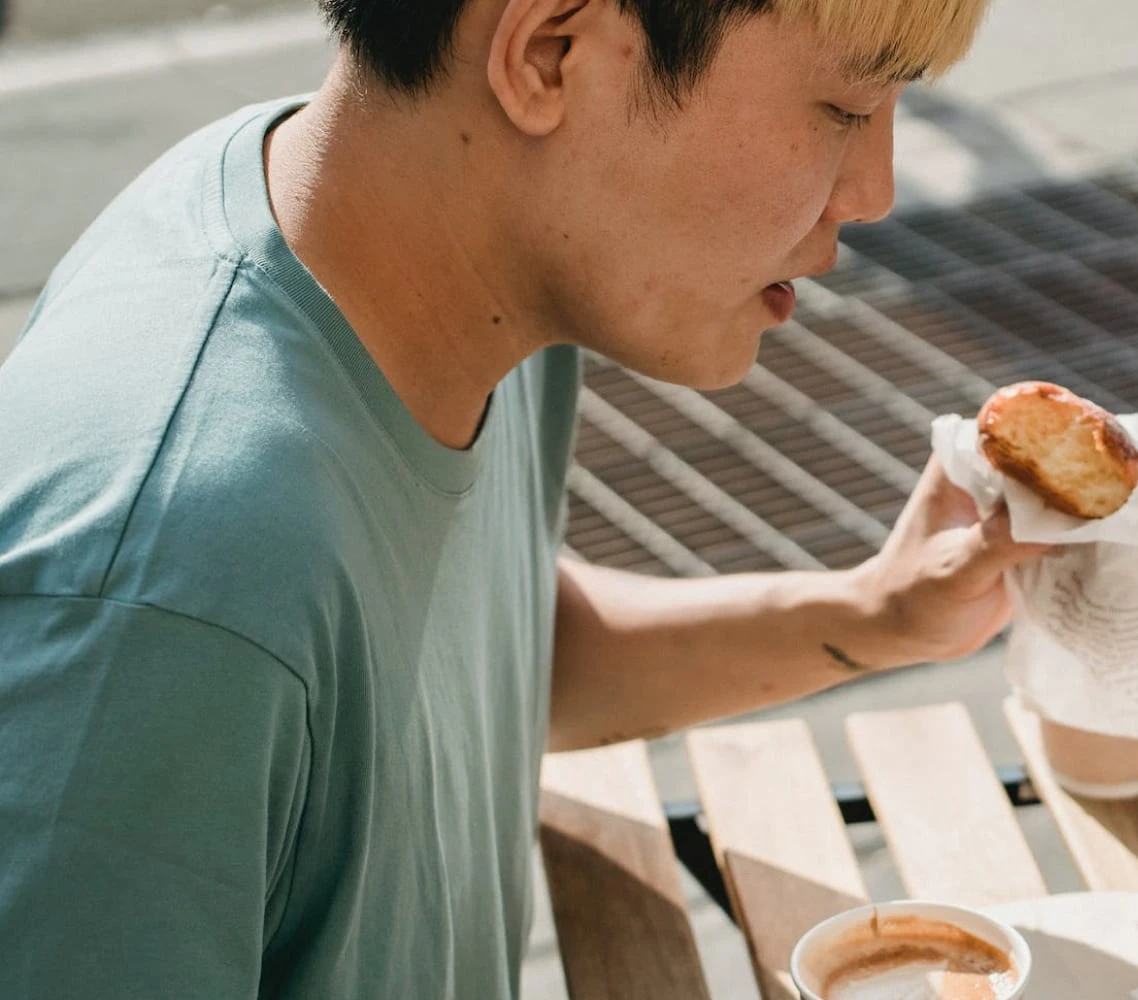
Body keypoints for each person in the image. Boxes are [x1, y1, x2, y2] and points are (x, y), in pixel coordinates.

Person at [0, 0, 1036, 996]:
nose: (876, 187)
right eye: (847, 110)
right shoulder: (174, 592)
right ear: (550, 51)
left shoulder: (427, 258)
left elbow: (476, 656)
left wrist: (878, 614)